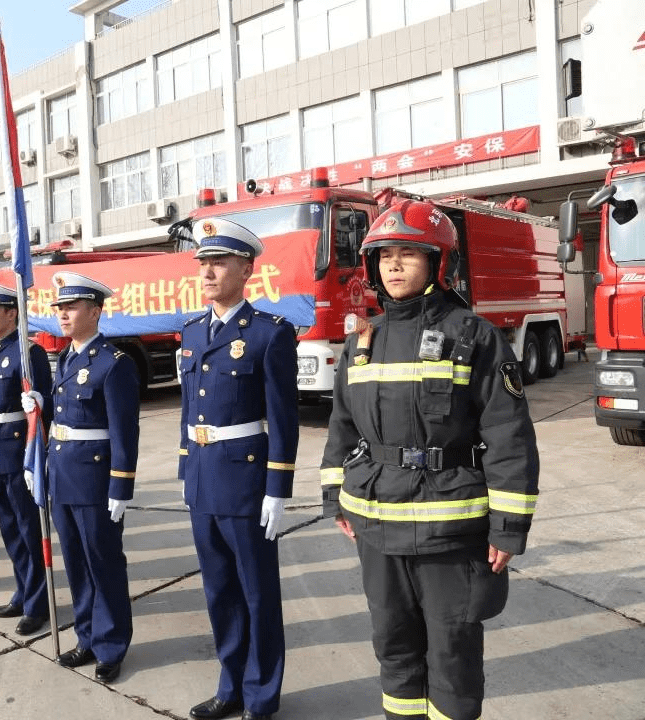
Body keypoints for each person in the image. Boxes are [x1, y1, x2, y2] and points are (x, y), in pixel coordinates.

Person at [320, 199, 540, 720]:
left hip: (452, 529)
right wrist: (337, 497)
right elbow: (342, 426)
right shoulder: (362, 340)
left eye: (409, 254)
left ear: (439, 263)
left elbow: (509, 435)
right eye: (385, 255)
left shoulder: (473, 335)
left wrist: (508, 528)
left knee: (453, 652)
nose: (393, 265)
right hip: (377, 526)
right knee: (392, 643)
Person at [178, 218, 299, 720]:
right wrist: (186, 473)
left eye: (218, 262)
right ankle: (230, 686)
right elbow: (189, 412)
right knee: (219, 592)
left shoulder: (269, 334)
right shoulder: (190, 332)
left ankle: (261, 696)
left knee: (256, 593)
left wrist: (278, 488)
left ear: (246, 268)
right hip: (204, 478)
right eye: (202, 263)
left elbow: (283, 417)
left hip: (246, 482)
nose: (207, 272)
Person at [25, 271, 139, 684]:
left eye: (71, 307)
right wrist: (40, 404)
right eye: (60, 308)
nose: (63, 315)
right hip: (64, 474)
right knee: (76, 563)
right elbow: (67, 420)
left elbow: (125, 430)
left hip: (95, 480)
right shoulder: (67, 359)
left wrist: (121, 484)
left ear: (95, 310)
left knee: (103, 563)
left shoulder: (113, 363)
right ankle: (87, 636)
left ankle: (111, 645)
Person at [0, 281, 53, 633]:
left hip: (19, 450)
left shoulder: (28, 353)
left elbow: (44, 408)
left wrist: (37, 453)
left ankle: (38, 603)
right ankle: (22, 591)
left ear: (11, 313)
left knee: (28, 528)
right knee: (10, 530)